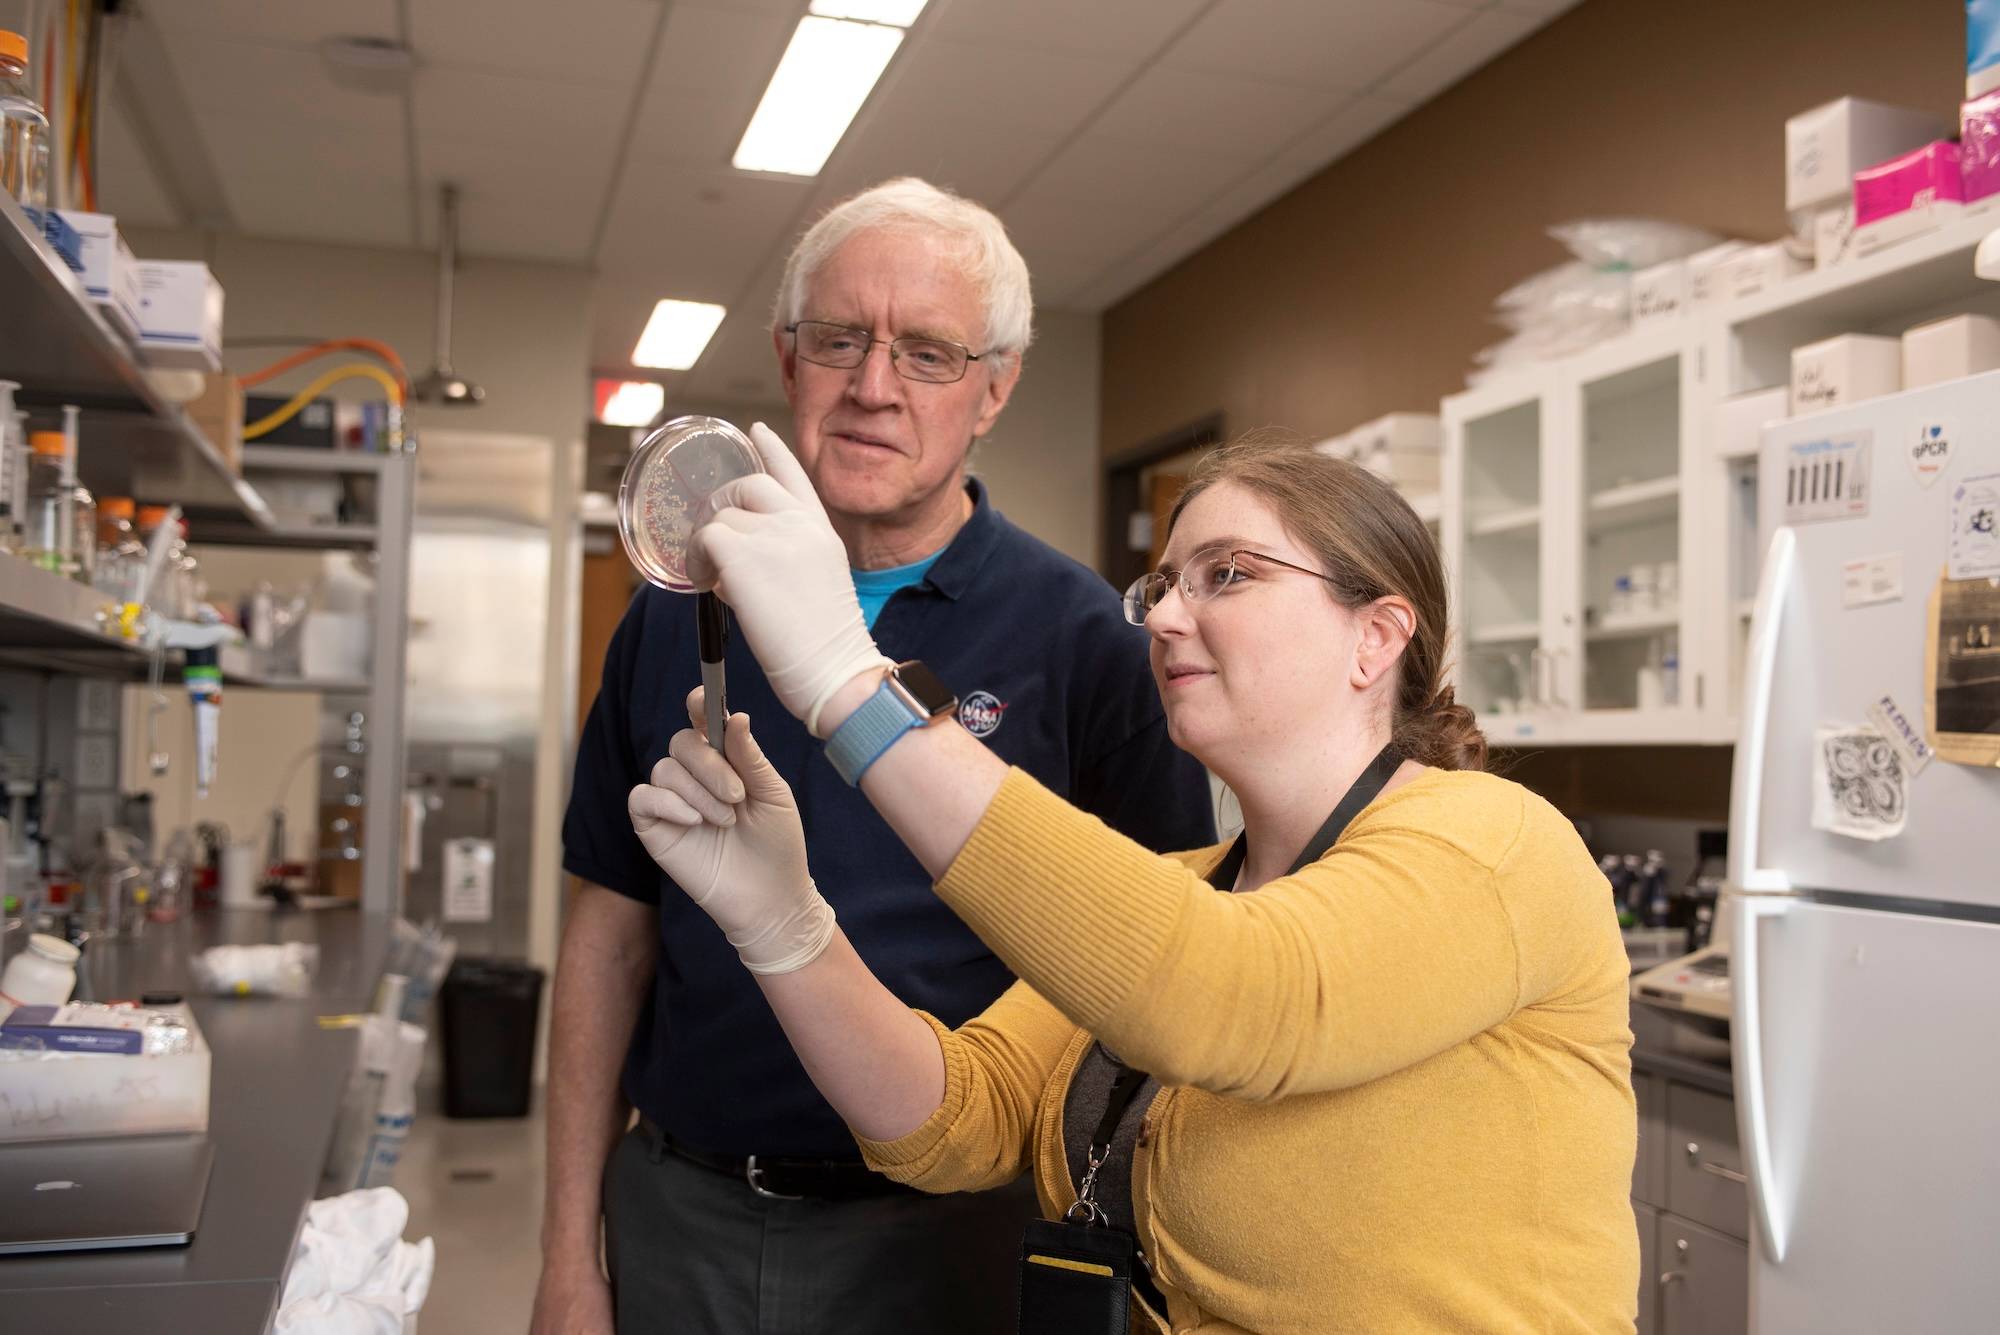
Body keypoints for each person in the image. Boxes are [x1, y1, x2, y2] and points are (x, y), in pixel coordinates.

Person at [629, 434, 1641, 1333]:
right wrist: (783, 925)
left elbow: (1237, 996)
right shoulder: (1183, 890)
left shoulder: (1494, 846)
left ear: (1376, 636)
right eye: (1162, 586)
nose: (1162, 619)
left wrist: (847, 679)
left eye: (1226, 575)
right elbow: (950, 1119)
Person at [533, 177, 1215, 1335]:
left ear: (993, 388)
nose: (873, 387)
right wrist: (565, 1258)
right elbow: (608, 937)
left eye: (929, 353)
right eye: (839, 339)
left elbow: (1165, 968)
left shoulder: (1083, 637)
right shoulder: (675, 610)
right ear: (786, 360)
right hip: (684, 1214)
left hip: (950, 1231)